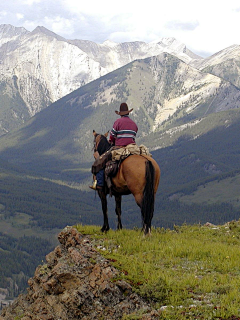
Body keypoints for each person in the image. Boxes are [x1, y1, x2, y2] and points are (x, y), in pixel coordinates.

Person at [89, 102, 138, 190]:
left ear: (120, 114)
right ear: (128, 112)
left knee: (100, 161)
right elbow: (133, 137)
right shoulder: (134, 124)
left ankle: (99, 184)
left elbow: (112, 136)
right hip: (132, 148)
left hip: (119, 148)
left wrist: (112, 141)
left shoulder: (118, 122)